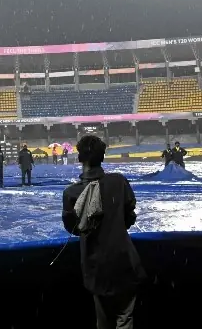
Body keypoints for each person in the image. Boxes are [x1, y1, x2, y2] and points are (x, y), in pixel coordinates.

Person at [61, 135, 146, 329]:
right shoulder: (119, 182)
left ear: (80, 158)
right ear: (103, 157)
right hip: (125, 262)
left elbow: (73, 228)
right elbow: (129, 217)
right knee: (125, 318)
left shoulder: (71, 193)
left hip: (96, 268)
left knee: (104, 320)